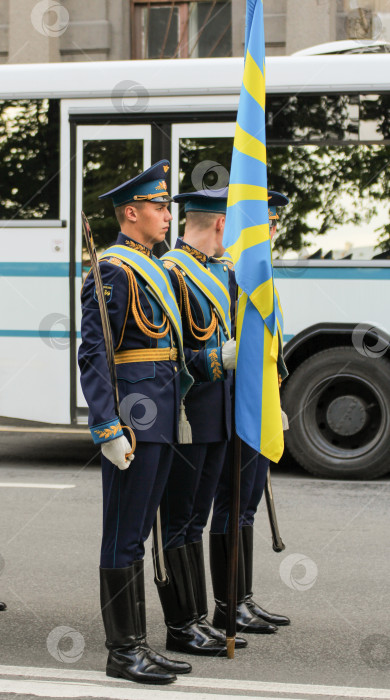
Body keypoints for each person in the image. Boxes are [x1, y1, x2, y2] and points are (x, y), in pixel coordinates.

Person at [78, 161, 195, 685]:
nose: (167, 215)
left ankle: (138, 644)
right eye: (158, 207)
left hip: (163, 415)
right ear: (131, 213)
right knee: (125, 535)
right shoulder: (113, 269)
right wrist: (106, 425)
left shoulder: (154, 266)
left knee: (140, 533)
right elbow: (94, 351)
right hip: (134, 418)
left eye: (166, 206)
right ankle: (122, 652)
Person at [155, 189, 247, 655]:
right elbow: (165, 352)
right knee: (177, 521)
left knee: (195, 520)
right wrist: (216, 360)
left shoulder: (219, 271)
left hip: (218, 415)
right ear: (219, 225)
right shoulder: (172, 273)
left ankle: (194, 618)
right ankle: (179, 625)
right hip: (189, 413)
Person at [209, 191, 291, 634]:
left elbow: (270, 349)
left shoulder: (261, 274)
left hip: (261, 403)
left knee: (248, 507)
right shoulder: (233, 274)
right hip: (238, 403)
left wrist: (275, 401)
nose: (271, 232)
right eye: (266, 224)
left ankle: (243, 597)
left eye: (274, 224)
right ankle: (227, 605)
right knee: (233, 503)